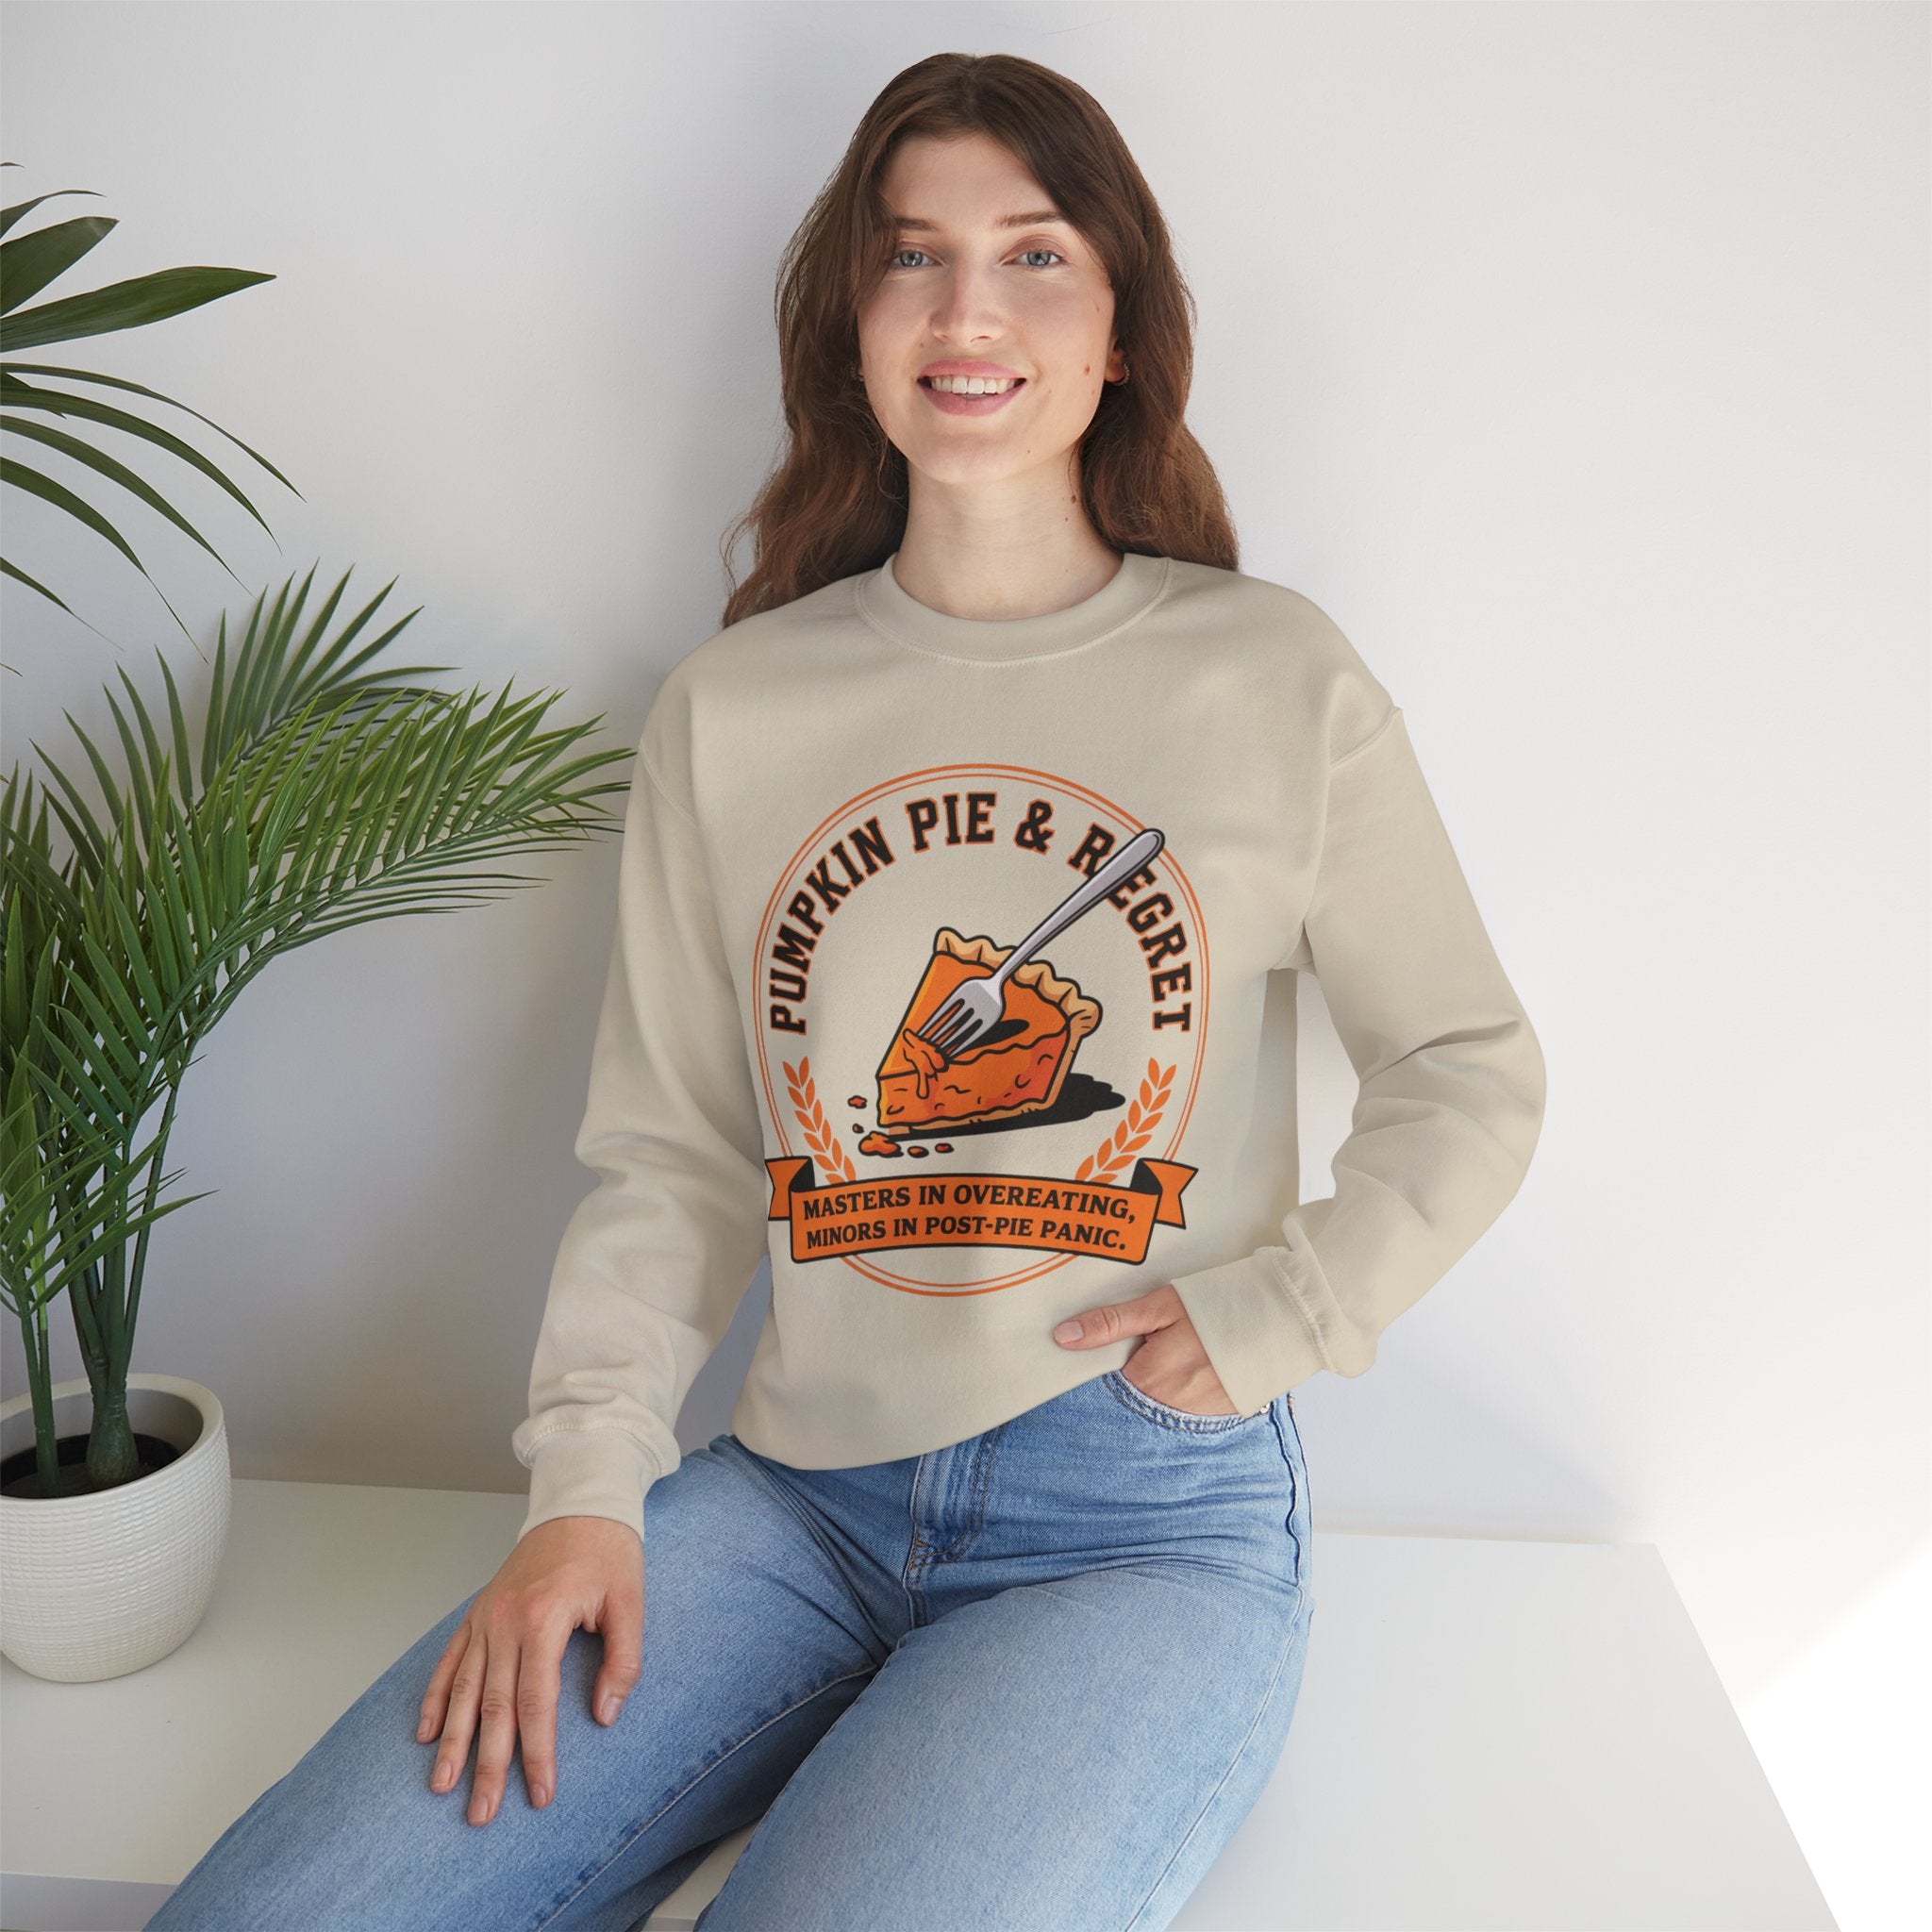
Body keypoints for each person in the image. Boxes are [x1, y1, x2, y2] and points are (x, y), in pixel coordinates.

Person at [146, 50, 1546, 1932]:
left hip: (1134, 1523)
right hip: (793, 1497)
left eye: (1033, 255)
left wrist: (1294, 1300)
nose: (968, 310)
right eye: (911, 258)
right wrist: (584, 1487)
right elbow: (676, 1157)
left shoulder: (1271, 680)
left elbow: (1468, 1066)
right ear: (852, 325)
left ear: (1119, 325)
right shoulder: (740, 709)